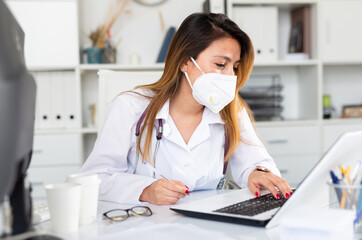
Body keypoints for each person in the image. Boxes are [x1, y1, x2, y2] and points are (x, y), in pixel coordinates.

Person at [81, 12, 292, 206]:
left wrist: (257, 173)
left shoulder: (231, 110)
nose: (230, 76)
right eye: (220, 64)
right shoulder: (131, 107)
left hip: (208, 224)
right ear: (184, 62)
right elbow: (96, 177)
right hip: (145, 223)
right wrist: (144, 190)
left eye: (235, 67)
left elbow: (255, 163)